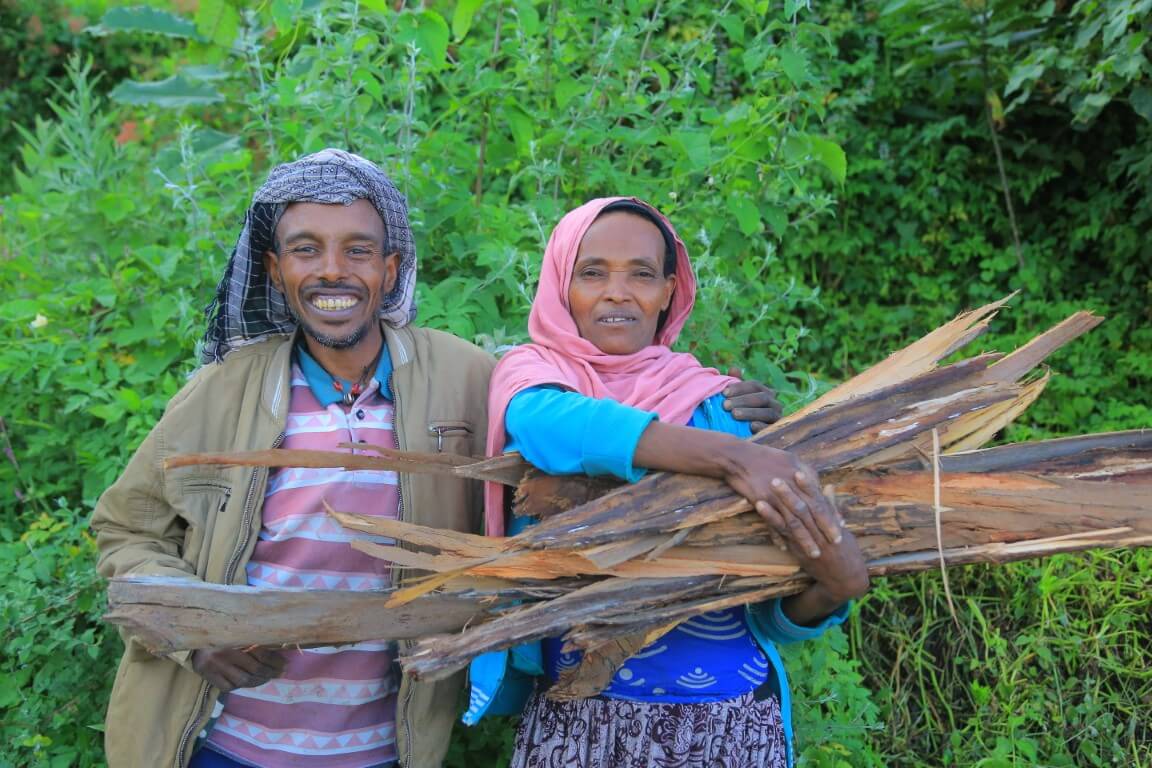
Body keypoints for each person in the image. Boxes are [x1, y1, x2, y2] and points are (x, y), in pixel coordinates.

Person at [92, 152, 780, 768]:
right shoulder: (222, 391)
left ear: (390, 268)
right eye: (306, 249)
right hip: (223, 745)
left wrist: (714, 404)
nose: (333, 270)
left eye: (359, 250)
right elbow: (127, 530)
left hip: (390, 747)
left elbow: (580, 409)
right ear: (276, 269)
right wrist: (197, 635)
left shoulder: (468, 380)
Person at [470, 197, 871, 768]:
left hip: (731, 724)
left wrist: (832, 588)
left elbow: (766, 594)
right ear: (562, 285)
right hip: (583, 724)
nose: (617, 291)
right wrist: (730, 458)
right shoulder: (536, 380)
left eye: (642, 274)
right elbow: (550, 425)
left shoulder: (715, 403)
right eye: (592, 272)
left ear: (667, 292)